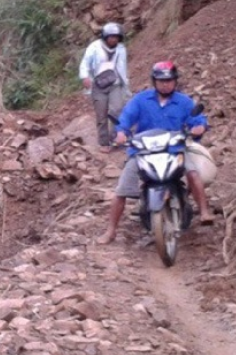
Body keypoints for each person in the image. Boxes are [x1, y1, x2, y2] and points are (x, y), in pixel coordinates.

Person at [103, 61, 213, 244]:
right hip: (143, 151)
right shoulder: (140, 100)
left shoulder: (184, 102)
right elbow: (125, 119)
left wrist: (200, 127)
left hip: (174, 149)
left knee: (193, 173)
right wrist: (121, 132)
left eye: (169, 80)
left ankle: (204, 211)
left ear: (175, 81)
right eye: (161, 80)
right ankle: (110, 230)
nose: (165, 84)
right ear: (154, 81)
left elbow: (197, 119)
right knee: (121, 190)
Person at [79, 22, 130, 150]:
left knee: (116, 110)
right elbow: (85, 63)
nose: (114, 39)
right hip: (98, 85)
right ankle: (103, 142)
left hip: (115, 84)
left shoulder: (121, 49)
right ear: (105, 36)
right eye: (111, 36)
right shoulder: (94, 47)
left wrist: (125, 83)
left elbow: (122, 68)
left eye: (116, 37)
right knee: (101, 115)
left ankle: (115, 138)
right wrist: (85, 76)